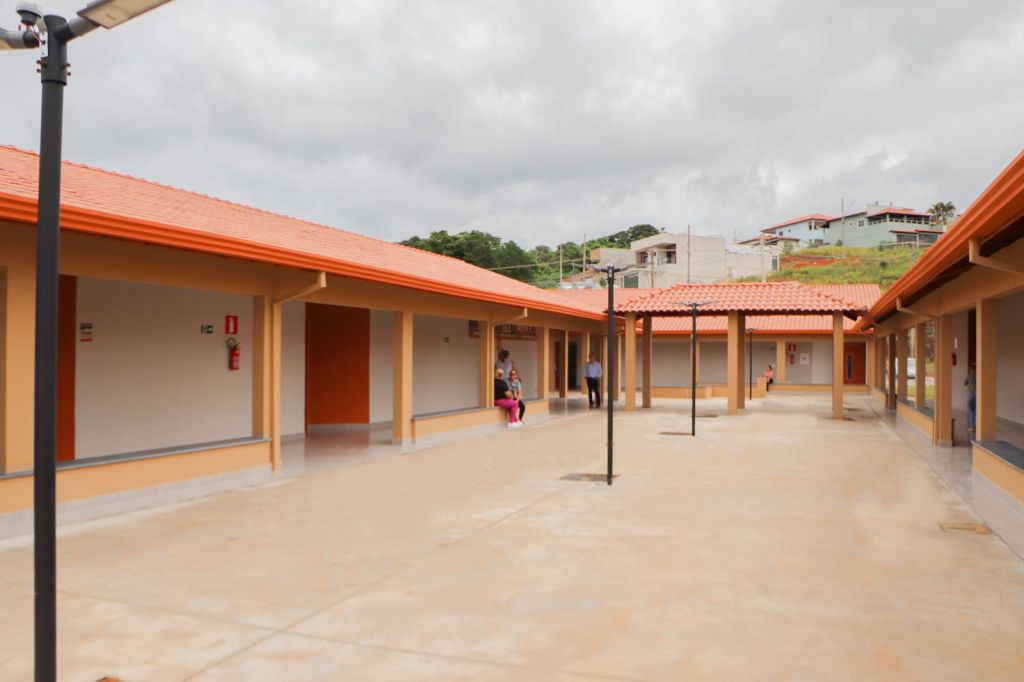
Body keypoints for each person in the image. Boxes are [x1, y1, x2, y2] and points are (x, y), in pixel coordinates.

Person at [965, 363, 976, 439]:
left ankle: (971, 426)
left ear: (971, 370)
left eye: (970, 370)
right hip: (975, 396)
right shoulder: (977, 377)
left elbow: (964, 383)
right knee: (974, 411)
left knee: (970, 411)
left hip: (970, 396)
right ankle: (972, 426)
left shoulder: (969, 377)